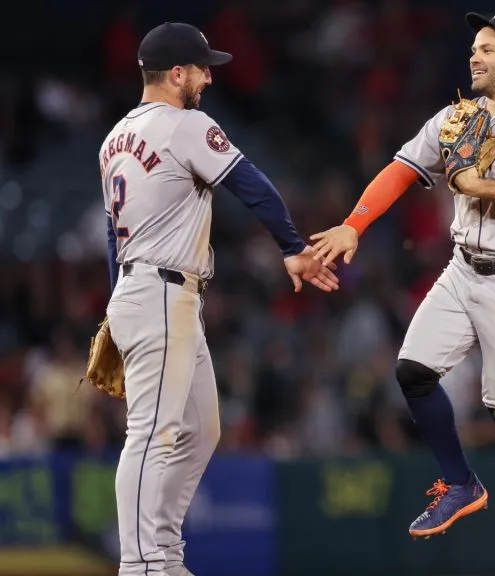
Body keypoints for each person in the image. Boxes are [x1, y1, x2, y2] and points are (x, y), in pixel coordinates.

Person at [309, 9, 495, 576]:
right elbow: (402, 169)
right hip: (463, 268)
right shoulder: (460, 117)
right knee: (412, 370)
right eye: (474, 48)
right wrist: (353, 225)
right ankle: (460, 482)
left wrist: (468, 180)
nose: (474, 56)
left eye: (488, 48)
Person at [99, 22, 338, 576]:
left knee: (202, 429)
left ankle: (164, 554)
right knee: (152, 434)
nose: (209, 77)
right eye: (203, 68)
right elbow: (250, 183)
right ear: (176, 73)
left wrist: (117, 302)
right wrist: (293, 247)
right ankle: (138, 565)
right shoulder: (184, 125)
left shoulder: (113, 138)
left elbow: (113, 236)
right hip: (159, 295)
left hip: (149, 291)